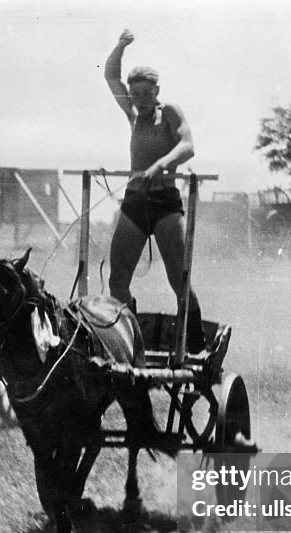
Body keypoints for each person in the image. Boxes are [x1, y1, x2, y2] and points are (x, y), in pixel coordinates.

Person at [103, 28, 207, 353]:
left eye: (147, 93)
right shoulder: (132, 115)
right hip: (135, 202)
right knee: (116, 281)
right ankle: (131, 339)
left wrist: (161, 165)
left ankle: (195, 345)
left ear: (157, 91)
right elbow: (110, 76)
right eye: (135, 94)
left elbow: (188, 146)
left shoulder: (170, 113)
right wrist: (120, 45)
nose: (140, 100)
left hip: (164, 203)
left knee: (179, 281)